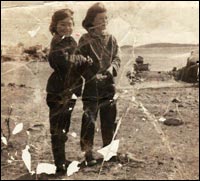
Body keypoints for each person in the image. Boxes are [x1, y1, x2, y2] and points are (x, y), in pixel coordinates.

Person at [46, 8, 91, 174]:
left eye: (69, 24)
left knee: (64, 127)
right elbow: (64, 63)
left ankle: (62, 159)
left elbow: (77, 62)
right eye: (62, 24)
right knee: (57, 128)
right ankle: (59, 164)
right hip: (57, 92)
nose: (66, 28)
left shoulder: (71, 41)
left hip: (71, 91)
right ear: (55, 26)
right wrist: (81, 60)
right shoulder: (56, 43)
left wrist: (85, 61)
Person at [77, 2, 121, 166]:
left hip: (109, 85)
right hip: (91, 86)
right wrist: (91, 75)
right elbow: (79, 62)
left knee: (110, 120)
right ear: (92, 20)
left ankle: (109, 152)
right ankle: (88, 154)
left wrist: (111, 69)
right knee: (89, 120)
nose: (104, 21)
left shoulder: (112, 38)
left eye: (106, 18)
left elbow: (117, 57)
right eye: (101, 18)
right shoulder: (84, 39)